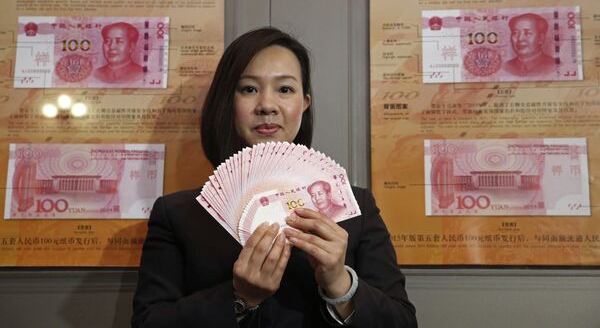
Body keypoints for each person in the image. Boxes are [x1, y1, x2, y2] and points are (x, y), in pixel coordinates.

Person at [132, 27, 417, 328]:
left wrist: (341, 285)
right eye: (249, 89)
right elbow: (148, 322)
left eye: (284, 89)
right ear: (228, 101)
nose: (267, 105)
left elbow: (402, 322)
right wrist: (240, 298)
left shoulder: (355, 207)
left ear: (304, 103)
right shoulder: (179, 214)